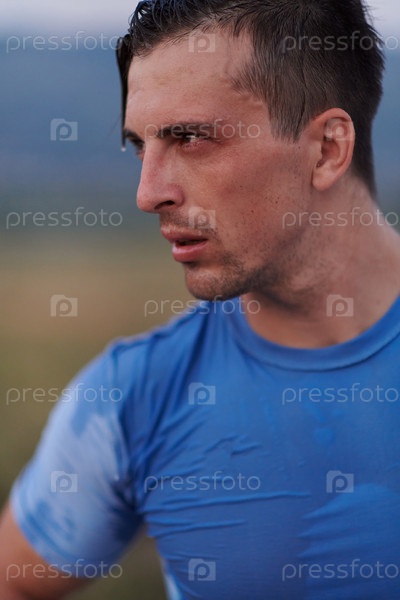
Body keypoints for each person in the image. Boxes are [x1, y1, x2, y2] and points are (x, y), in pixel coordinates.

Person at [1, 0, 400, 598]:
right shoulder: (134, 396)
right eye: (140, 145)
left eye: (189, 137)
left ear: (325, 149)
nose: (147, 194)